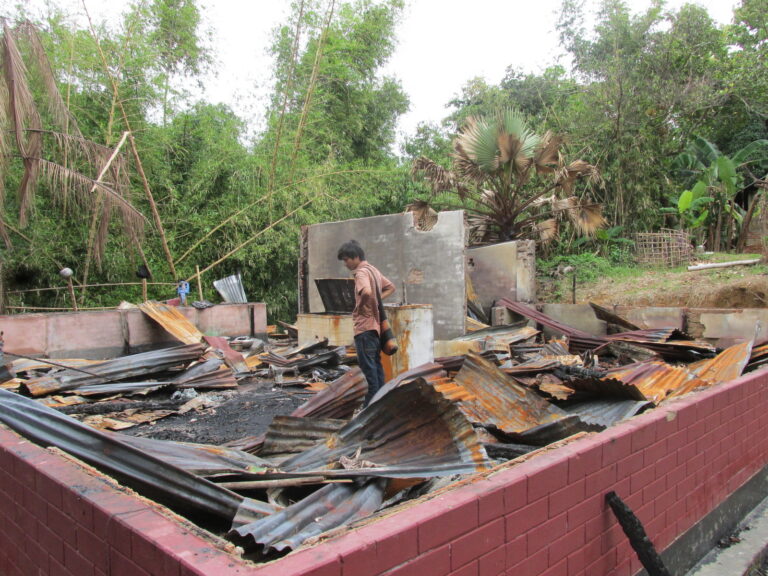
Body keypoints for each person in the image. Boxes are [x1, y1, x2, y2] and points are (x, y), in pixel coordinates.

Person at [337, 240, 395, 406]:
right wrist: (376, 301)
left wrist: (361, 306)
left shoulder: (361, 272)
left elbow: (367, 292)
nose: (346, 263)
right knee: (376, 367)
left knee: (368, 372)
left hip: (365, 329)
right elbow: (391, 287)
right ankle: (381, 404)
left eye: (346, 259)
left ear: (355, 257)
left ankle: (370, 409)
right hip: (376, 329)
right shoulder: (373, 270)